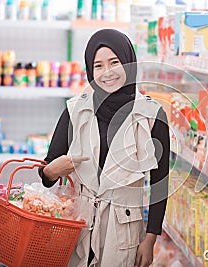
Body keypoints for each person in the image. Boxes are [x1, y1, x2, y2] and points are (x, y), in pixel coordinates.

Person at [38, 29, 169, 267]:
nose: (107, 72)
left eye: (115, 62)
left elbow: (160, 181)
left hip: (123, 229)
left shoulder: (152, 115)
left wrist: (150, 239)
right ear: (90, 71)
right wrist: (50, 172)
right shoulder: (75, 110)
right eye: (98, 66)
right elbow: (48, 172)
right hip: (78, 225)